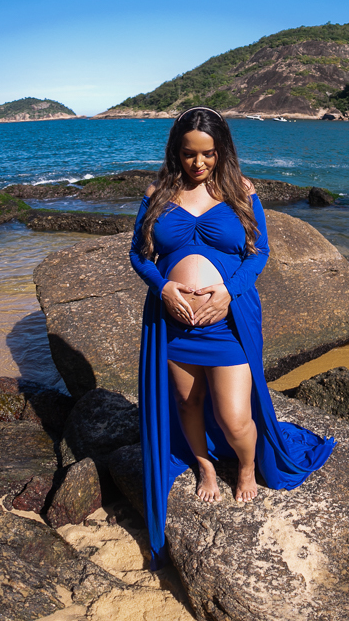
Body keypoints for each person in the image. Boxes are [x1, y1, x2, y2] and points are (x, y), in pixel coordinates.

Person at [128, 106, 336, 568]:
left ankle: (245, 466)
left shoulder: (241, 191)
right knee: (187, 404)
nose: (198, 163)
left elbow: (257, 255)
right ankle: (204, 465)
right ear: (175, 151)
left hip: (228, 321)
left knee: (236, 416)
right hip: (173, 322)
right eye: (188, 154)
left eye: (207, 154)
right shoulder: (158, 193)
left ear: (221, 151)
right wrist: (162, 287)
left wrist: (227, 292)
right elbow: (138, 255)